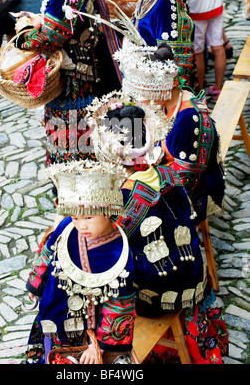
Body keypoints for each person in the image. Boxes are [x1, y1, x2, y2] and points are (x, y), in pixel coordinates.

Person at [86, 90, 208, 318]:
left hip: (156, 294)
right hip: (192, 276)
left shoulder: (123, 196)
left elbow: (105, 244)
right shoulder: (168, 174)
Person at [15, 0, 123, 166]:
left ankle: (76, 184)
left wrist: (23, 35)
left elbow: (53, 35)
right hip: (85, 65)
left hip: (75, 77)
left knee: (73, 133)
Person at [25, 160, 136, 364]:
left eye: (89, 218)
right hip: (54, 309)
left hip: (89, 332)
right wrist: (36, 284)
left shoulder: (117, 252)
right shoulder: (67, 227)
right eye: (76, 217)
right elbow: (48, 252)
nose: (81, 225)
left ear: (108, 211)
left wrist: (98, 347)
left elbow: (118, 306)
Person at [114, 38, 225, 226]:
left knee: (124, 213)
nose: (142, 102)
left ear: (161, 90)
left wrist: (137, 178)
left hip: (193, 192)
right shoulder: (169, 103)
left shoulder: (188, 119)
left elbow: (185, 180)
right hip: (166, 173)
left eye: (146, 95)